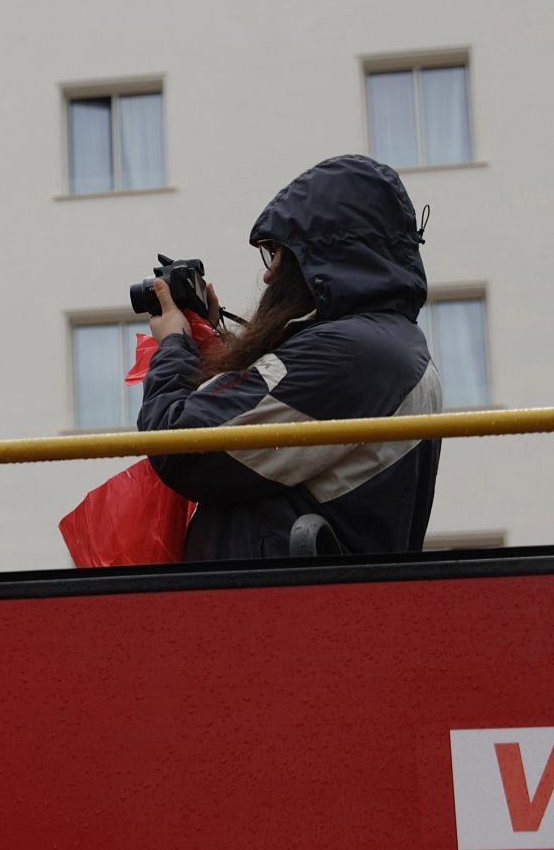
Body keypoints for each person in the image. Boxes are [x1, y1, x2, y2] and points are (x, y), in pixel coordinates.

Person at [139, 154, 442, 560]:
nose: (268, 274)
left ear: (318, 255)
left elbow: (181, 446)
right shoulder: (389, 347)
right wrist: (210, 343)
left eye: (276, 252)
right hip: (315, 603)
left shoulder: (350, 354)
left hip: (280, 608)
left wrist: (174, 344)